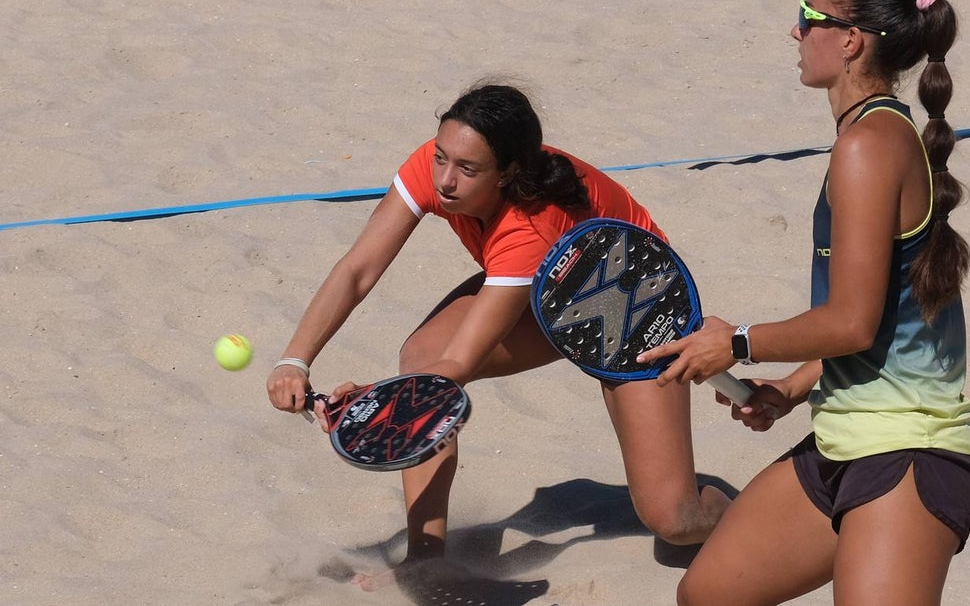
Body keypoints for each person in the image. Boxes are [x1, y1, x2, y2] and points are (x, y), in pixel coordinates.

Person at [265, 81, 728, 584]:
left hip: (634, 306)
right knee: (423, 357)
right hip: (549, 288)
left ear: (508, 172)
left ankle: (742, 515)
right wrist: (296, 359)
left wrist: (368, 407)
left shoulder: (527, 228)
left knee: (675, 521)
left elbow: (457, 367)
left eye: (466, 169)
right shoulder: (440, 166)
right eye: (441, 157)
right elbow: (359, 268)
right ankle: (426, 556)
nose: (445, 180)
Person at [639, 0, 970, 605]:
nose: (795, 33)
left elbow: (851, 320)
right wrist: (795, 386)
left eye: (807, 17)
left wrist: (735, 343)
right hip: (844, 437)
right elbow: (889, 318)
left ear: (850, 39)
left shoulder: (869, 146)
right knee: (708, 593)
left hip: (908, 453)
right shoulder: (876, 135)